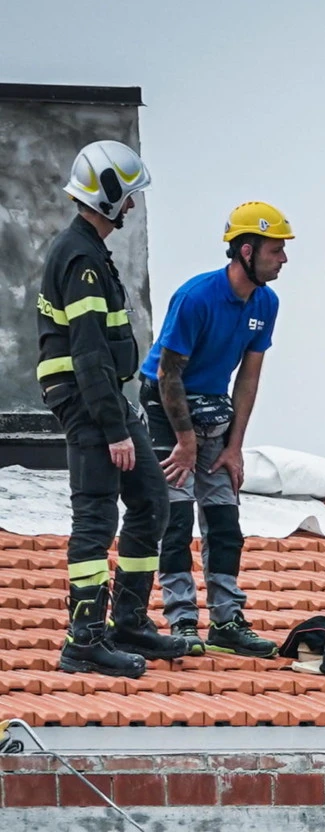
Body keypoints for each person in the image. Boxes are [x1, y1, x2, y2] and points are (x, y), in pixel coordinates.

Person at [34, 140, 190, 677]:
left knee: (151, 499)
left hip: (105, 398)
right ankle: (84, 641)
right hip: (86, 401)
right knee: (97, 515)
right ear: (107, 194)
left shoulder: (90, 251)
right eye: (128, 196)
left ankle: (128, 624)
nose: (132, 205)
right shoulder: (80, 257)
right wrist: (113, 428)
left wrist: (119, 416)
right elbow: (88, 353)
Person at [136, 202, 293, 656]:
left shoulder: (266, 303)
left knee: (225, 517)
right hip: (168, 407)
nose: (284, 259)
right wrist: (185, 444)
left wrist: (234, 447)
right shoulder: (196, 297)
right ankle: (182, 619)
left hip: (213, 411)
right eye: (275, 250)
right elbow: (167, 375)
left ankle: (226, 620)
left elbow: (248, 378)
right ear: (246, 251)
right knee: (177, 516)